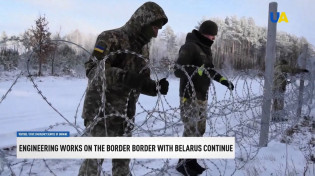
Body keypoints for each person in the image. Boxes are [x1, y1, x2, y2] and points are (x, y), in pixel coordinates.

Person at [78, 2, 169, 176]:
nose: (156, 33)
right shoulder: (110, 37)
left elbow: (141, 80)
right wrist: (123, 76)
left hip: (126, 114)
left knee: (122, 165)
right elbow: (93, 69)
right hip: (101, 113)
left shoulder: (143, 50)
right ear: (143, 21)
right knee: (93, 164)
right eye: (155, 27)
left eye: (159, 29)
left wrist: (155, 87)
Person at [173, 20, 234, 176]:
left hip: (202, 95)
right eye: (211, 35)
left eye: (214, 36)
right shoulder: (189, 47)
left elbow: (210, 71)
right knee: (190, 130)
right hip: (189, 96)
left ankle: (191, 160)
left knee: (200, 130)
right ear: (203, 33)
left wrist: (223, 80)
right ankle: (183, 163)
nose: (213, 38)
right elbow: (178, 70)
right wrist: (198, 71)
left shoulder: (206, 50)